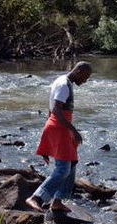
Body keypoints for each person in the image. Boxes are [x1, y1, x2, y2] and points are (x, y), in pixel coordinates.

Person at [26, 61, 92, 212]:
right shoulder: (63, 85)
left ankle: (57, 201)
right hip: (59, 127)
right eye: (85, 77)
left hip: (61, 127)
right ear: (78, 70)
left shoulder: (63, 80)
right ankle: (36, 197)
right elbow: (56, 109)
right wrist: (73, 130)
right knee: (63, 169)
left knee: (72, 164)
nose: (85, 80)